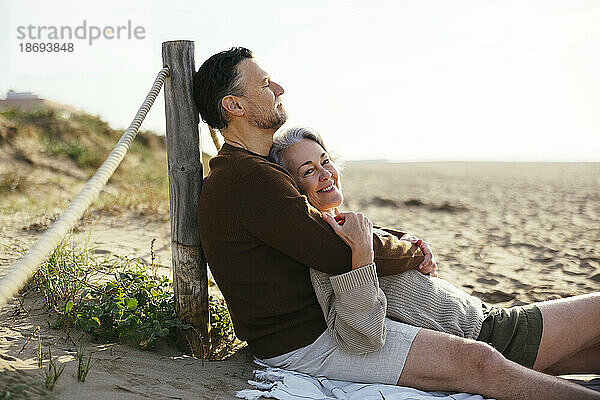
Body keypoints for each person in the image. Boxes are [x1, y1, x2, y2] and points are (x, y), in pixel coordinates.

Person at [193, 47, 600, 399]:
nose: (278, 89)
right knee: (480, 361)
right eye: (265, 84)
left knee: (507, 354)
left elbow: (334, 237)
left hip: (314, 331)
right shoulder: (248, 177)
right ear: (235, 106)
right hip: (308, 343)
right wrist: (411, 249)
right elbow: (338, 249)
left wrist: (396, 240)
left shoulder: (252, 170)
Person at [268, 125, 600, 372]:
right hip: (490, 335)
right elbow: (361, 336)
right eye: (308, 171)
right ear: (294, 188)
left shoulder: (344, 228)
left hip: (483, 317)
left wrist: (410, 245)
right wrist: (363, 258)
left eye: (325, 161)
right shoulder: (326, 252)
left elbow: (386, 247)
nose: (326, 173)